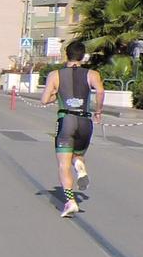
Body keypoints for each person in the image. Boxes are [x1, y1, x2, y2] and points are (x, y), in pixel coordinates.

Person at [41, 40, 103, 216]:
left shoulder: (55, 75)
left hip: (66, 119)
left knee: (63, 164)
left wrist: (56, 94)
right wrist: (98, 111)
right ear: (83, 56)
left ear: (66, 54)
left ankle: (70, 201)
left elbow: (44, 100)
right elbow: (100, 91)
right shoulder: (92, 74)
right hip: (85, 120)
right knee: (78, 155)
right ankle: (79, 165)